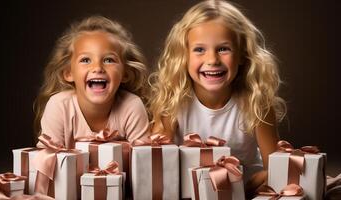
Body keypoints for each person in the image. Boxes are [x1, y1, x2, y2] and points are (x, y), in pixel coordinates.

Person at [148, 0, 286, 197]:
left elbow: (277, 167)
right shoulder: (173, 103)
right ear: (184, 56)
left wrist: (243, 188)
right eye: (199, 49)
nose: (212, 60)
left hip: (244, 190)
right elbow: (156, 163)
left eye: (223, 48)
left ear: (242, 55)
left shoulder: (256, 103)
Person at [33, 16, 150, 149]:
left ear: (125, 74)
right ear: (68, 73)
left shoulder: (131, 106)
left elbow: (144, 160)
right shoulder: (59, 106)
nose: (98, 68)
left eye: (109, 60)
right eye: (85, 60)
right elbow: (47, 160)